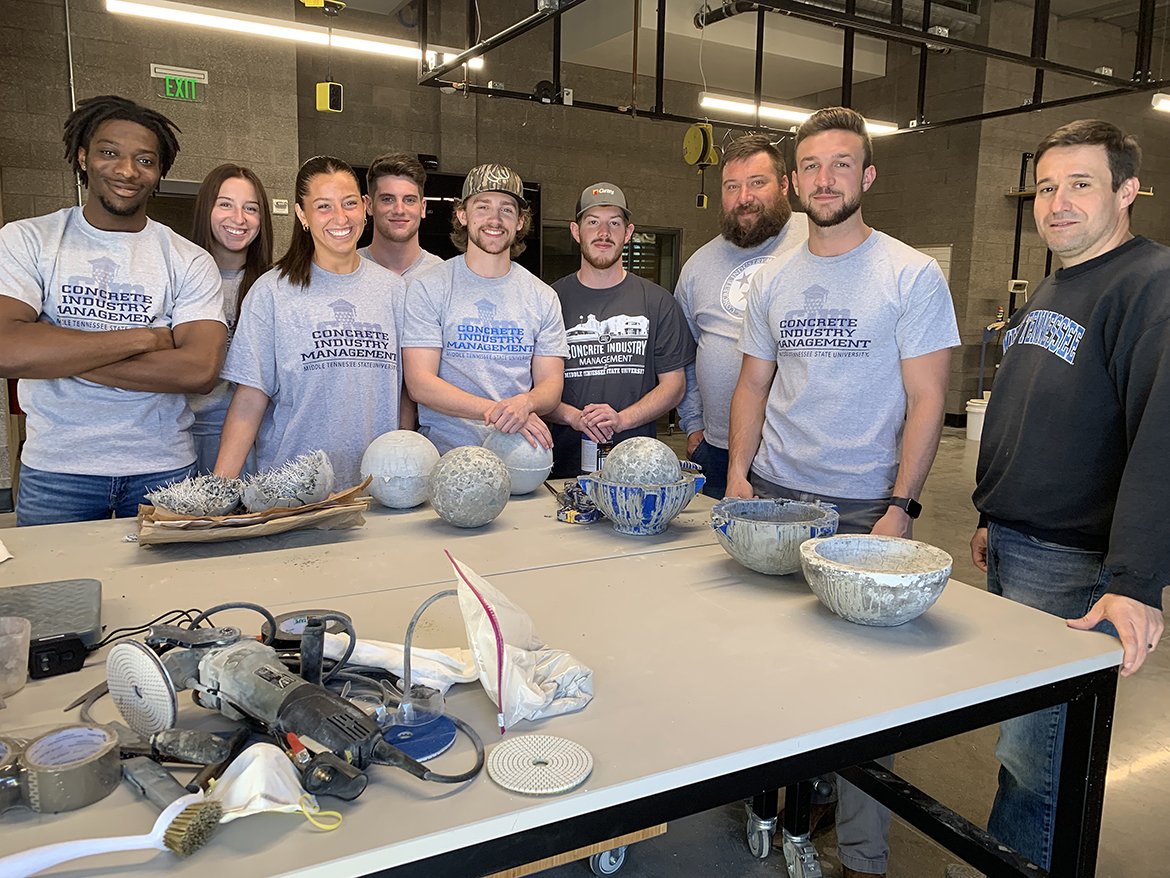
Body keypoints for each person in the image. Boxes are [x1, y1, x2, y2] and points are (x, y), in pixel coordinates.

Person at [728, 107, 960, 878]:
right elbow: (754, 384)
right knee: (768, 668)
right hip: (776, 497)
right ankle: (769, 806)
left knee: (870, 697)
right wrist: (737, 483)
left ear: (866, 176)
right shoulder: (770, 277)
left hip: (865, 507)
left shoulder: (909, 273)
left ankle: (862, 855)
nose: (825, 178)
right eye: (812, 166)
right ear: (794, 182)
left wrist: (903, 506)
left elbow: (928, 397)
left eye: (841, 164)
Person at [968, 120, 1167, 873]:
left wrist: (1138, 582)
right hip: (1017, 544)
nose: (1057, 202)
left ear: (1126, 190)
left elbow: (1163, 438)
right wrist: (993, 512)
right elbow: (1036, 411)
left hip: (1074, 565)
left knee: (1039, 757)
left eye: (1081, 183)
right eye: (1048, 186)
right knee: (1020, 736)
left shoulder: (1152, 286)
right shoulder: (1058, 282)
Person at [0, 95, 226, 525]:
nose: (127, 170)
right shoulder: (27, 240)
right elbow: (7, 349)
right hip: (58, 471)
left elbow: (198, 371)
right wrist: (146, 338)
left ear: (159, 173)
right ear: (83, 158)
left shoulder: (188, 259)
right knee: (55, 591)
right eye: (109, 153)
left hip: (163, 471)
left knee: (169, 593)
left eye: (145, 160)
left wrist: (56, 352)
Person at [214, 156, 410, 489]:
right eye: (323, 206)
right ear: (302, 215)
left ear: (365, 207)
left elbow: (404, 394)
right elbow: (248, 401)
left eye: (349, 203)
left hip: (377, 488)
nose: (340, 217)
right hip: (291, 492)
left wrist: (403, 467)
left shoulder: (394, 291)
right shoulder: (271, 292)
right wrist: (218, 490)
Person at [675, 134, 810, 497]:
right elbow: (682, 353)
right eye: (732, 186)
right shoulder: (698, 266)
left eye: (757, 183)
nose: (744, 197)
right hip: (717, 447)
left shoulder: (818, 239)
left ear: (785, 185)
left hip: (795, 453)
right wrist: (693, 425)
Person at [401, 163, 567, 454]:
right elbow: (420, 384)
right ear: (462, 216)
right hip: (446, 457)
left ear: (519, 222)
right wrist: (501, 412)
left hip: (520, 458)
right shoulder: (429, 287)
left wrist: (526, 403)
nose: (495, 219)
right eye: (483, 207)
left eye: (507, 209)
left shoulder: (543, 296)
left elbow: (551, 385)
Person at [545, 183, 695, 478]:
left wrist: (621, 420)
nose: (604, 233)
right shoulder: (548, 301)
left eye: (614, 223)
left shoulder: (657, 302)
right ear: (576, 231)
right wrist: (575, 418)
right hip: (560, 470)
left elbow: (674, 386)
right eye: (593, 222)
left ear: (628, 233)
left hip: (638, 470)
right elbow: (532, 389)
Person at [188, 164, 273, 474]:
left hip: (257, 439)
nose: (239, 218)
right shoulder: (180, 278)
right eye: (225, 204)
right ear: (206, 208)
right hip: (186, 437)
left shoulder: (275, 285)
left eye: (251, 208)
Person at [358, 152, 443, 278]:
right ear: (369, 205)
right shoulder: (346, 271)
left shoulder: (443, 275)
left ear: (423, 207)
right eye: (388, 199)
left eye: (409, 200)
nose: (399, 210)